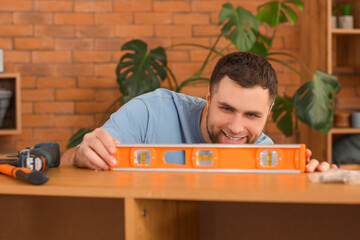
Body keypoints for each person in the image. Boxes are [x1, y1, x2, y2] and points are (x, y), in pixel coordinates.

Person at [61, 51, 336, 172]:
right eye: (226, 108)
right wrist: (81, 154)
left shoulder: (266, 156)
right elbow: (65, 163)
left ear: (269, 112)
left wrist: (315, 179)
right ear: (208, 98)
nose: (236, 128)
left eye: (252, 115)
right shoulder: (149, 112)